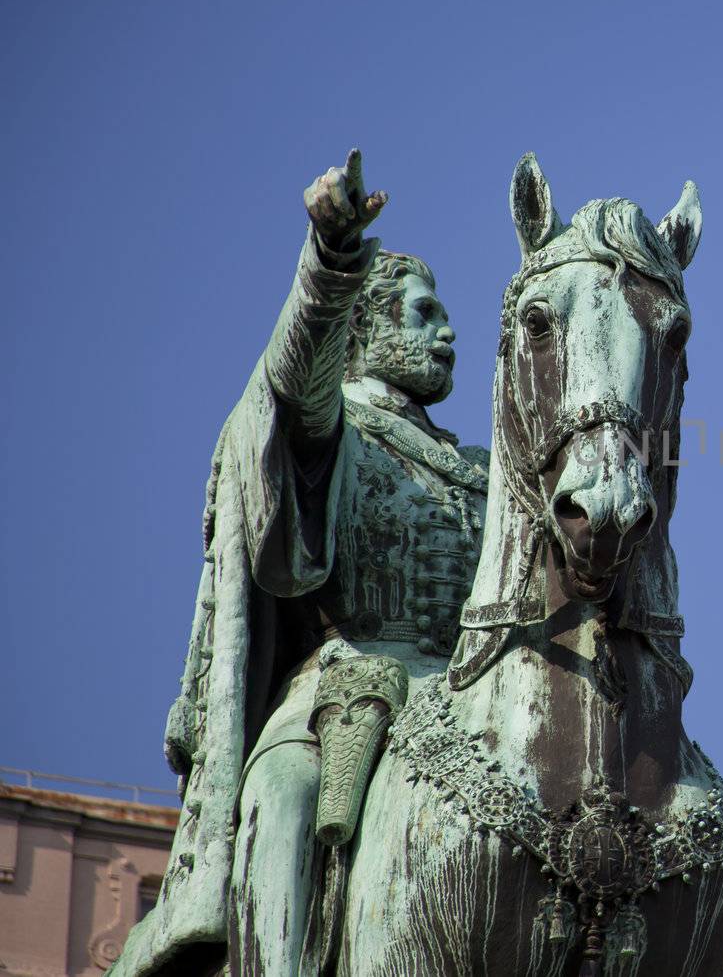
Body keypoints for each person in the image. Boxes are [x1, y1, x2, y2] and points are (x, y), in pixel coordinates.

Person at [113, 151, 487, 976]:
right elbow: (295, 381)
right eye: (424, 314)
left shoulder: (486, 470)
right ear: (368, 328)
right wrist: (331, 262)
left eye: (445, 315)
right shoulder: (334, 429)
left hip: (472, 703)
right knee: (282, 797)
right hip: (338, 691)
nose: (447, 331)